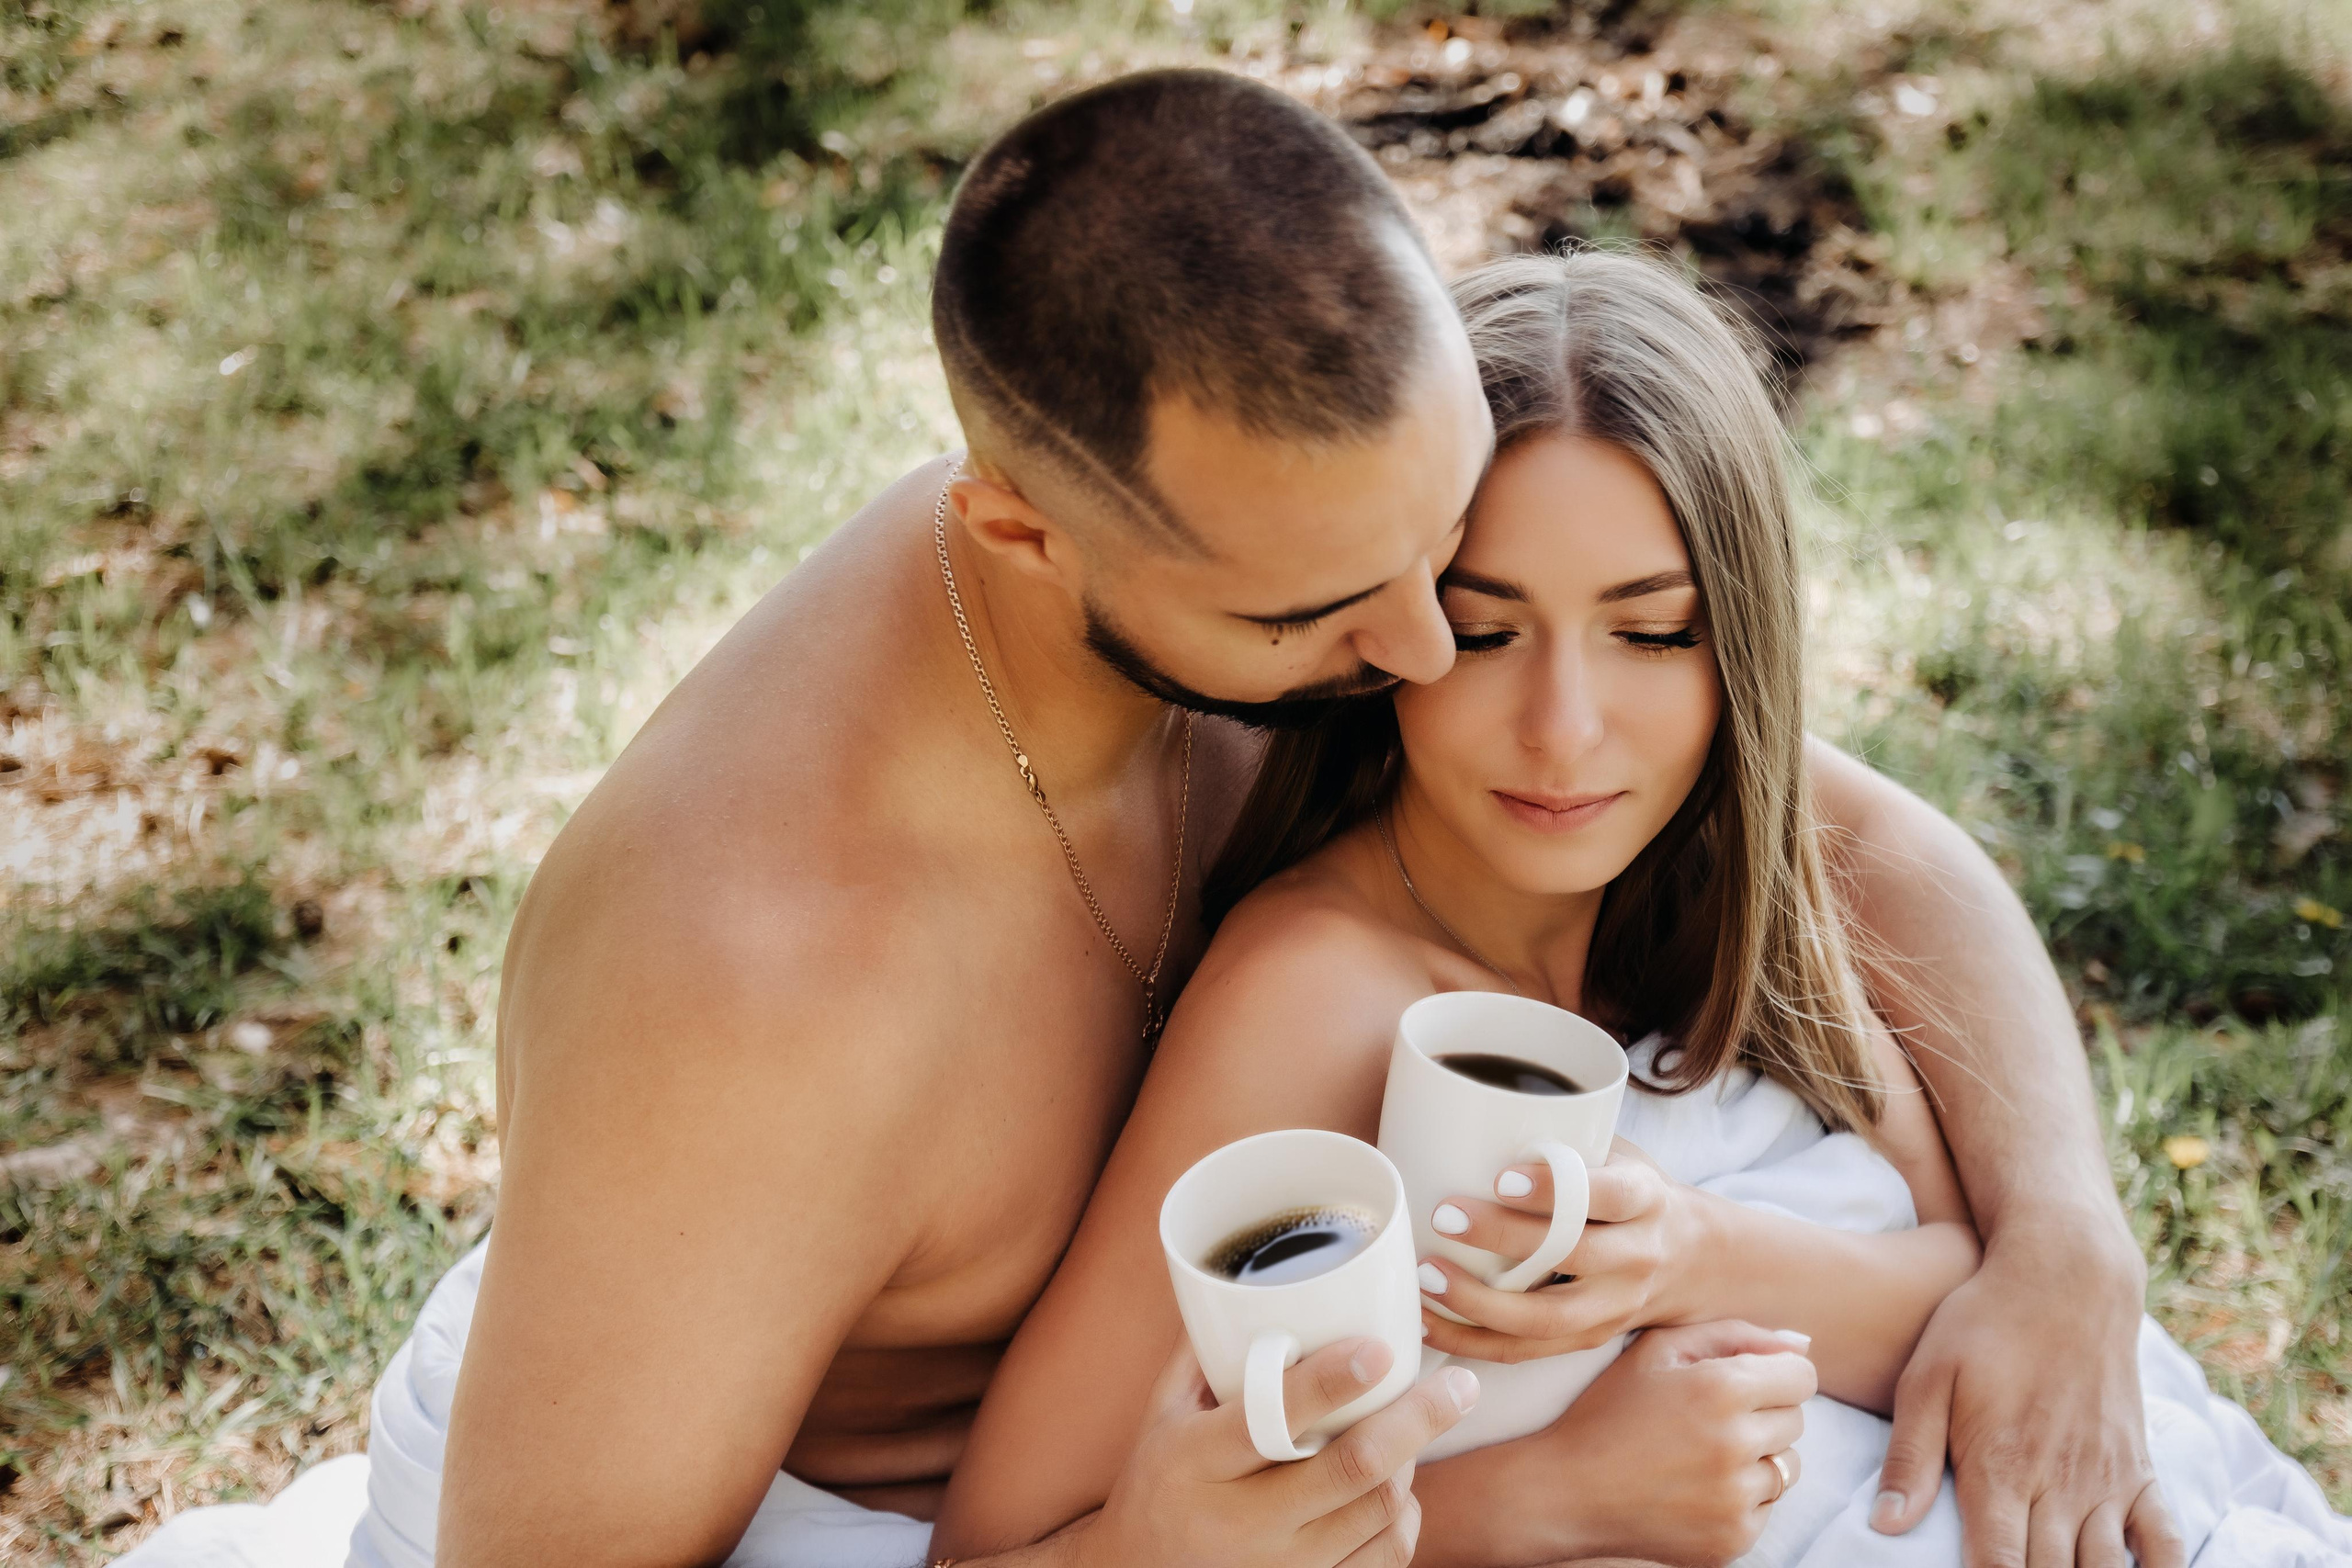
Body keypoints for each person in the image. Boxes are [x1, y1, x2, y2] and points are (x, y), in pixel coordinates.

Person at [127, 70, 2172, 1568]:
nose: (1416, 653)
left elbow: (1823, 819)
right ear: (1017, 528)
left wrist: (2064, 1236)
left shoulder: (1306, 492)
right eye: (1328, 612)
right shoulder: (764, 973)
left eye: (1437, 554)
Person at [931, 248, 2352, 1568]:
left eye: (1653, 632)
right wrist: (1549, 1495)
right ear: (1395, 626)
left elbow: (1958, 1284)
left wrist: (1685, 1256)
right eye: (1485, 633)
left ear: (1736, 641)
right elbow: (1007, 1540)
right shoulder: (1318, 995)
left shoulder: (1732, 873)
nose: (1564, 730)